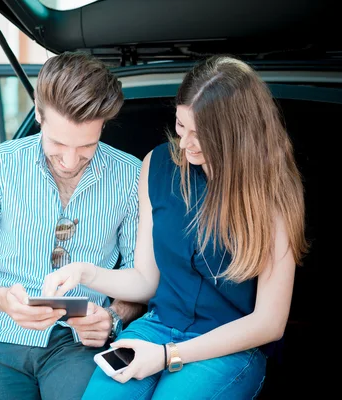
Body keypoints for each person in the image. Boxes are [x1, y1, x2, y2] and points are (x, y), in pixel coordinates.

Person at [42, 54, 309, 399]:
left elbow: (269, 323)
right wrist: (83, 273)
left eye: (201, 134)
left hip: (228, 346)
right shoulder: (158, 164)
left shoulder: (274, 191)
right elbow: (146, 280)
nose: (184, 144)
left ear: (236, 133)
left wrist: (168, 356)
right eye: (182, 127)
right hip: (155, 328)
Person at [0, 51, 145, 400]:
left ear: (104, 125)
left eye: (86, 147)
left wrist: (113, 317)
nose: (69, 161)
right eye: (58, 144)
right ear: (38, 112)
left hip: (79, 345)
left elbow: (142, 276)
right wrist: (0, 299)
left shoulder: (130, 176)